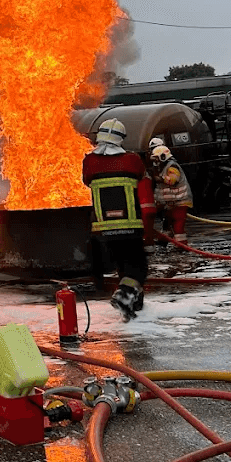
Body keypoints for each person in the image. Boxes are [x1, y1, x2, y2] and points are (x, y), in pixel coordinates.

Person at [83, 118, 154, 319]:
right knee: (138, 268)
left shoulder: (89, 162)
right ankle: (124, 296)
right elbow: (142, 182)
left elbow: (87, 181)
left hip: (102, 229)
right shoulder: (132, 160)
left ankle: (131, 308)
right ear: (121, 139)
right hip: (130, 226)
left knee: (123, 266)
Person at [148, 145, 193, 244]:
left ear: (163, 157)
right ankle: (163, 240)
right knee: (167, 223)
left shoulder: (172, 166)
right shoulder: (163, 167)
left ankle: (181, 245)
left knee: (178, 225)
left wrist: (158, 179)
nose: (156, 161)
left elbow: (173, 180)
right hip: (170, 203)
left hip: (180, 202)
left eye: (156, 158)